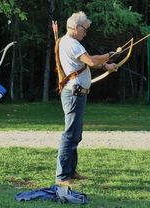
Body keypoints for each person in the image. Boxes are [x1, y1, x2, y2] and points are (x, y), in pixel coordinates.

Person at [55, 11, 118, 186]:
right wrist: (107, 56)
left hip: (77, 93)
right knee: (70, 135)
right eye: (84, 29)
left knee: (75, 134)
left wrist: (106, 65)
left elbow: (83, 64)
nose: (85, 33)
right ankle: (62, 176)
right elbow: (90, 61)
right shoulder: (72, 43)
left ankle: (70, 171)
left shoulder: (68, 42)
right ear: (76, 27)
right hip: (74, 94)